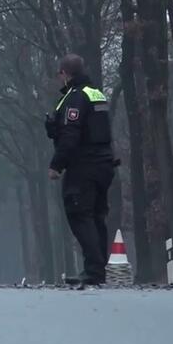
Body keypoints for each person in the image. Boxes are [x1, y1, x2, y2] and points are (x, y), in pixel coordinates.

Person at [45, 54, 115, 286]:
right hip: (104, 163)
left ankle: (93, 270)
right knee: (96, 216)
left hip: (84, 165)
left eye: (59, 74)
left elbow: (71, 134)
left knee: (79, 214)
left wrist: (57, 164)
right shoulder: (97, 93)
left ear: (65, 73)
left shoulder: (75, 98)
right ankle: (97, 270)